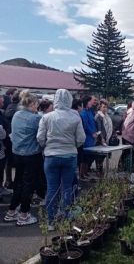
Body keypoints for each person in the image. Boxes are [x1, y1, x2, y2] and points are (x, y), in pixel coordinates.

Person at [37, 89, 86, 230]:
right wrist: (73, 145)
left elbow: (40, 138)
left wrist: (48, 147)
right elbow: (81, 138)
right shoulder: (75, 117)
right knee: (66, 188)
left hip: (51, 156)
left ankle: (51, 222)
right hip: (70, 156)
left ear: (55, 100)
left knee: (52, 189)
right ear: (70, 100)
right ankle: (65, 218)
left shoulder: (46, 117)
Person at [3, 90, 43, 226]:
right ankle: (24, 214)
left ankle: (11, 211)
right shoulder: (35, 118)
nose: (37, 106)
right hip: (31, 155)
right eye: (36, 104)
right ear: (32, 103)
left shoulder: (16, 115)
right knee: (28, 184)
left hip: (17, 153)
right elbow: (41, 136)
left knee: (18, 182)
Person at [80, 95, 98, 181]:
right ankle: (82, 174)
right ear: (87, 102)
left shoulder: (89, 112)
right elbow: (85, 125)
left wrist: (95, 131)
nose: (92, 103)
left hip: (91, 137)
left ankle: (86, 172)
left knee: (89, 157)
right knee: (85, 156)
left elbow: (92, 123)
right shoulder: (83, 113)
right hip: (87, 137)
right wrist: (92, 133)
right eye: (91, 101)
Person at [94, 99, 113, 176]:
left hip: (106, 138)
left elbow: (110, 126)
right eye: (104, 107)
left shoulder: (106, 116)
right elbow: (99, 129)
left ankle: (100, 170)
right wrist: (102, 138)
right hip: (100, 139)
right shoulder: (98, 116)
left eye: (106, 107)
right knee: (99, 156)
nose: (105, 109)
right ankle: (99, 171)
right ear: (99, 107)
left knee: (103, 156)